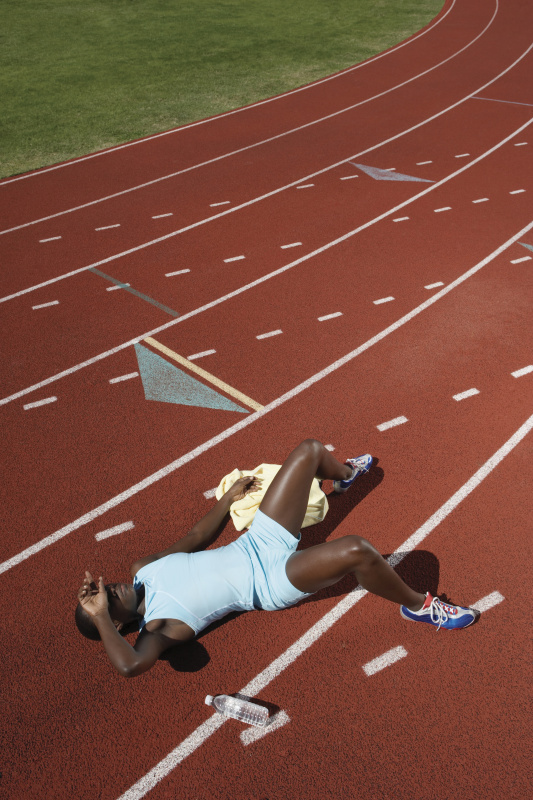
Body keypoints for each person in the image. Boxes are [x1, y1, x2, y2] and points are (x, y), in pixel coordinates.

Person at [76, 439, 476, 678]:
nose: (112, 588)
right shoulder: (158, 628)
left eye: (105, 588)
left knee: (309, 450)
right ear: (115, 623)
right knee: (357, 549)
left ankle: (344, 475)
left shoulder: (143, 569)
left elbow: (196, 537)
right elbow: (129, 667)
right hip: (270, 581)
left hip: (256, 541)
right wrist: (98, 615)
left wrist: (230, 498)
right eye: (108, 600)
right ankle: (418, 607)